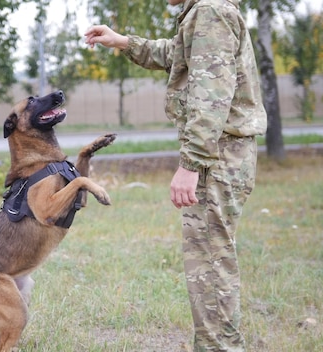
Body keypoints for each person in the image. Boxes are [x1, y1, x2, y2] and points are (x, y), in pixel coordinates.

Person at [85, 0, 267, 350]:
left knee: (210, 264)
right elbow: (178, 54)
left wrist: (191, 165)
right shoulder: (206, 13)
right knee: (212, 260)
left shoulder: (210, 11)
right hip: (222, 152)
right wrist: (123, 41)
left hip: (217, 156)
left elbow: (211, 95)